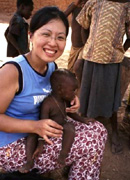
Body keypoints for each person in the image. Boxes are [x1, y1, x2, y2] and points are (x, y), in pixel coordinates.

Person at [0, 6, 107, 180]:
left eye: (60, 37)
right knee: (92, 141)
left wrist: (71, 99)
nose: (53, 43)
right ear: (31, 35)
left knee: (98, 129)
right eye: (46, 34)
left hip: (40, 131)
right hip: (12, 146)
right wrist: (35, 126)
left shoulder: (51, 67)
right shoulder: (13, 71)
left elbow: (55, 96)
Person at [76, 0, 130, 154]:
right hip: (90, 57)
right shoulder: (93, 2)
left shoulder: (126, 6)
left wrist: (120, 51)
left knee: (110, 97)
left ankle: (114, 133)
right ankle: (83, 127)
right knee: (86, 93)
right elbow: (83, 26)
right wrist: (88, 46)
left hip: (112, 61)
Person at [19, 68, 95, 173]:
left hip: (61, 126)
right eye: (73, 90)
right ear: (60, 89)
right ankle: (29, 161)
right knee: (32, 135)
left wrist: (82, 119)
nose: (75, 93)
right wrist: (41, 143)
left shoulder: (65, 99)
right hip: (46, 128)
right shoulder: (48, 103)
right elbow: (43, 122)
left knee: (70, 127)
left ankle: (63, 155)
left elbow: (70, 113)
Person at [64, 0, 89, 81]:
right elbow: (63, 16)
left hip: (85, 45)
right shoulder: (75, 6)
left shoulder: (91, 7)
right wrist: (74, 5)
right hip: (75, 46)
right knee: (70, 71)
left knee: (79, 68)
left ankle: (80, 88)